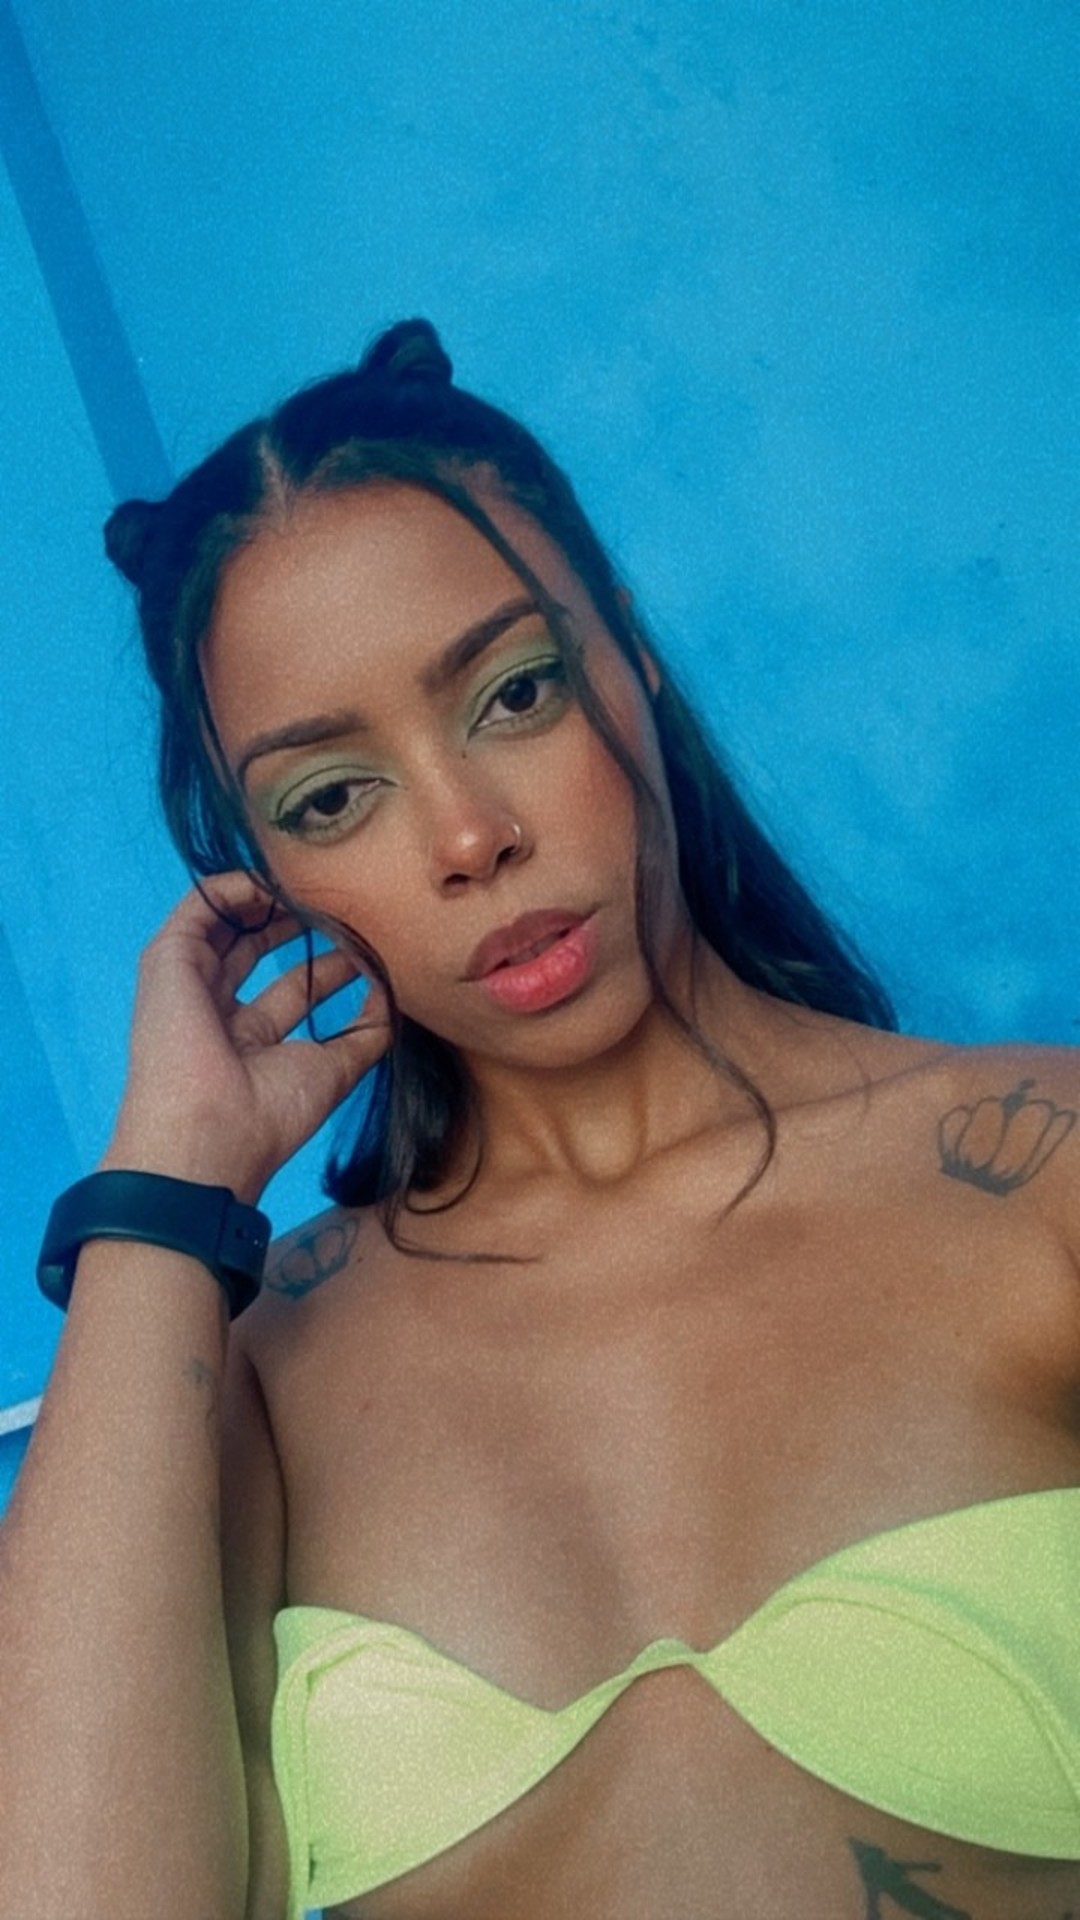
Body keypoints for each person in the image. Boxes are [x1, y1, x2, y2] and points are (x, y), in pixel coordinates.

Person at [1, 318, 1078, 1920]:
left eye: (514, 692)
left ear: (630, 656)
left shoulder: (1042, 1177)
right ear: (263, 874)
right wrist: (161, 1193)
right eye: (330, 797)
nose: (468, 835)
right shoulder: (248, 1383)